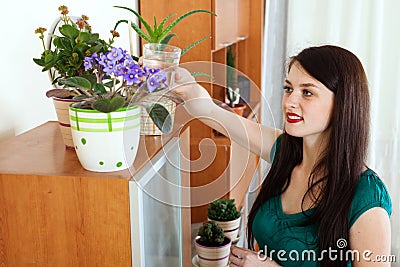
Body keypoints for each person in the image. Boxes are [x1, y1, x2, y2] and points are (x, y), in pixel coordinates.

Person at [172, 45, 392, 266]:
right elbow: (208, 111)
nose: (289, 102)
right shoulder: (285, 153)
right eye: (288, 89)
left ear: (342, 103)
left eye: (307, 92)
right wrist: (181, 81)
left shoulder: (367, 197)